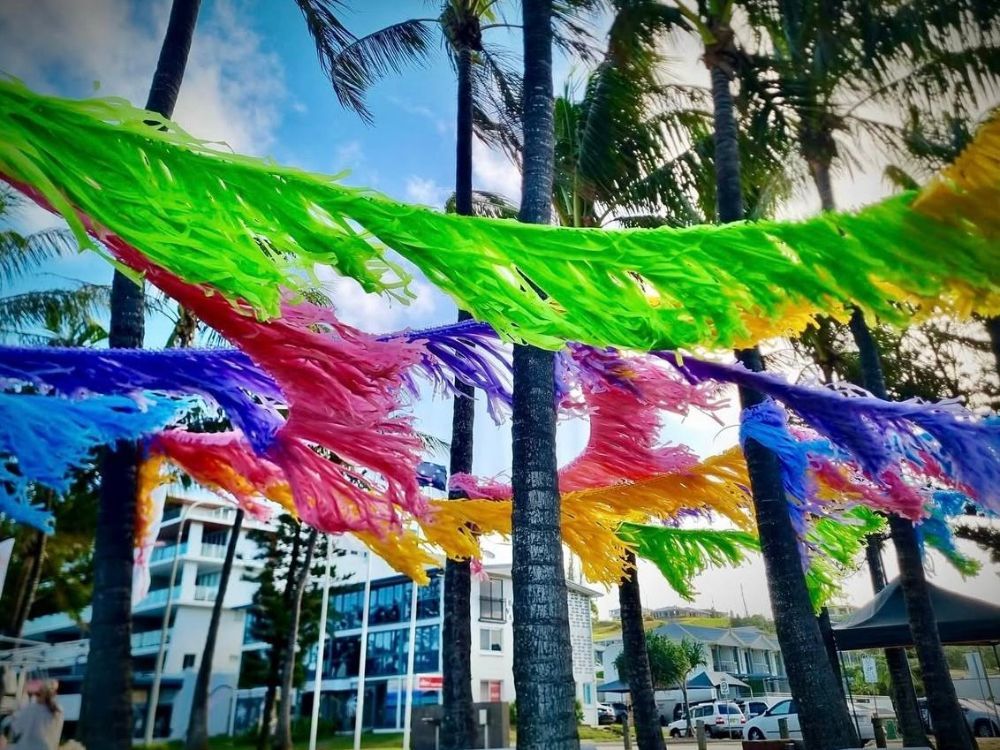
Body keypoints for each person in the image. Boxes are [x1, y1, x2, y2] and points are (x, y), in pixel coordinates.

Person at [0, 680, 63, 750]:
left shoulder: (31, 708)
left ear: (40, 693)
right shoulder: (59, 712)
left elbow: (14, 729)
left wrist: (11, 716)